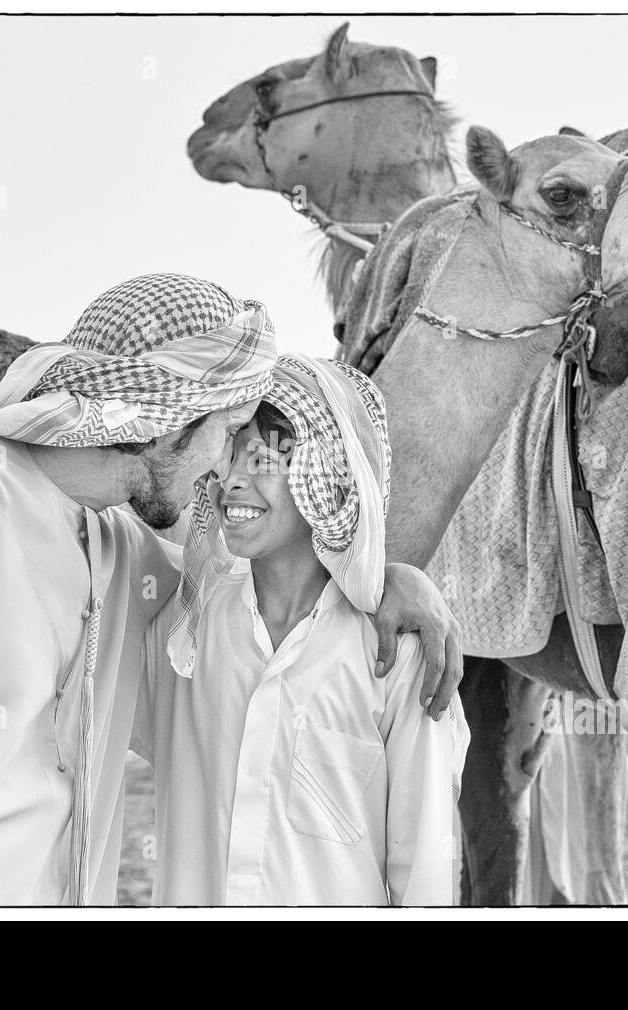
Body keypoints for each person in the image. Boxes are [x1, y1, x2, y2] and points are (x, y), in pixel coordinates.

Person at [0, 274, 462, 906]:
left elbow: (276, 582)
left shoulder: (123, 552)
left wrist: (390, 575)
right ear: (167, 422)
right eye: (226, 434)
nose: (221, 468)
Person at [132, 354, 470, 905]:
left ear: (327, 477)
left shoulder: (396, 653)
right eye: (225, 457)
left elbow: (426, 871)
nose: (229, 483)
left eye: (262, 461)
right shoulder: (181, 630)